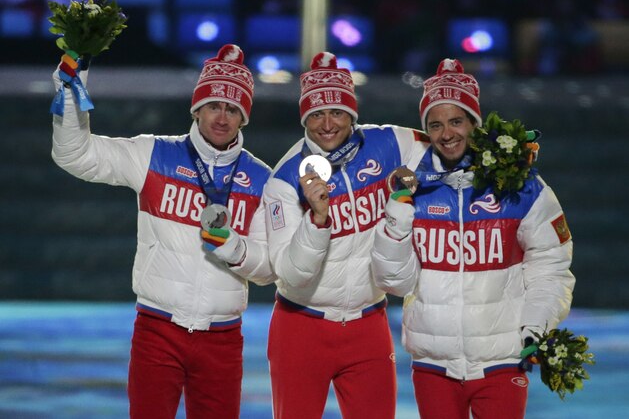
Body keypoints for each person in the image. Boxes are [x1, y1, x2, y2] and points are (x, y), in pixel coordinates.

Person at [51, 44, 275, 418]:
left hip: (222, 338)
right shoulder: (154, 154)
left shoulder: (262, 179)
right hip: (157, 330)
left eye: (233, 109)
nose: (222, 117)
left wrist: (234, 248)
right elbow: (75, 155)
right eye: (214, 106)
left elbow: (269, 269)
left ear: (243, 118)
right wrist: (72, 94)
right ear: (197, 108)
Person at [370, 58, 576, 419]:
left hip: (502, 362)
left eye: (456, 121)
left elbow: (551, 265)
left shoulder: (521, 186)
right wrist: (398, 214)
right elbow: (395, 282)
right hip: (434, 364)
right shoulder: (413, 189)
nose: (447, 134)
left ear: (474, 123)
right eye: (435, 125)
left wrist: (534, 328)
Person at [262, 51, 429, 419]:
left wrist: (500, 158)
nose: (327, 124)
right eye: (316, 114)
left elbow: (448, 147)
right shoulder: (284, 180)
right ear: (305, 118)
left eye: (336, 112)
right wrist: (317, 221)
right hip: (301, 327)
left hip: (368, 324)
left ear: (352, 114)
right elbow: (290, 276)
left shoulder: (391, 143)